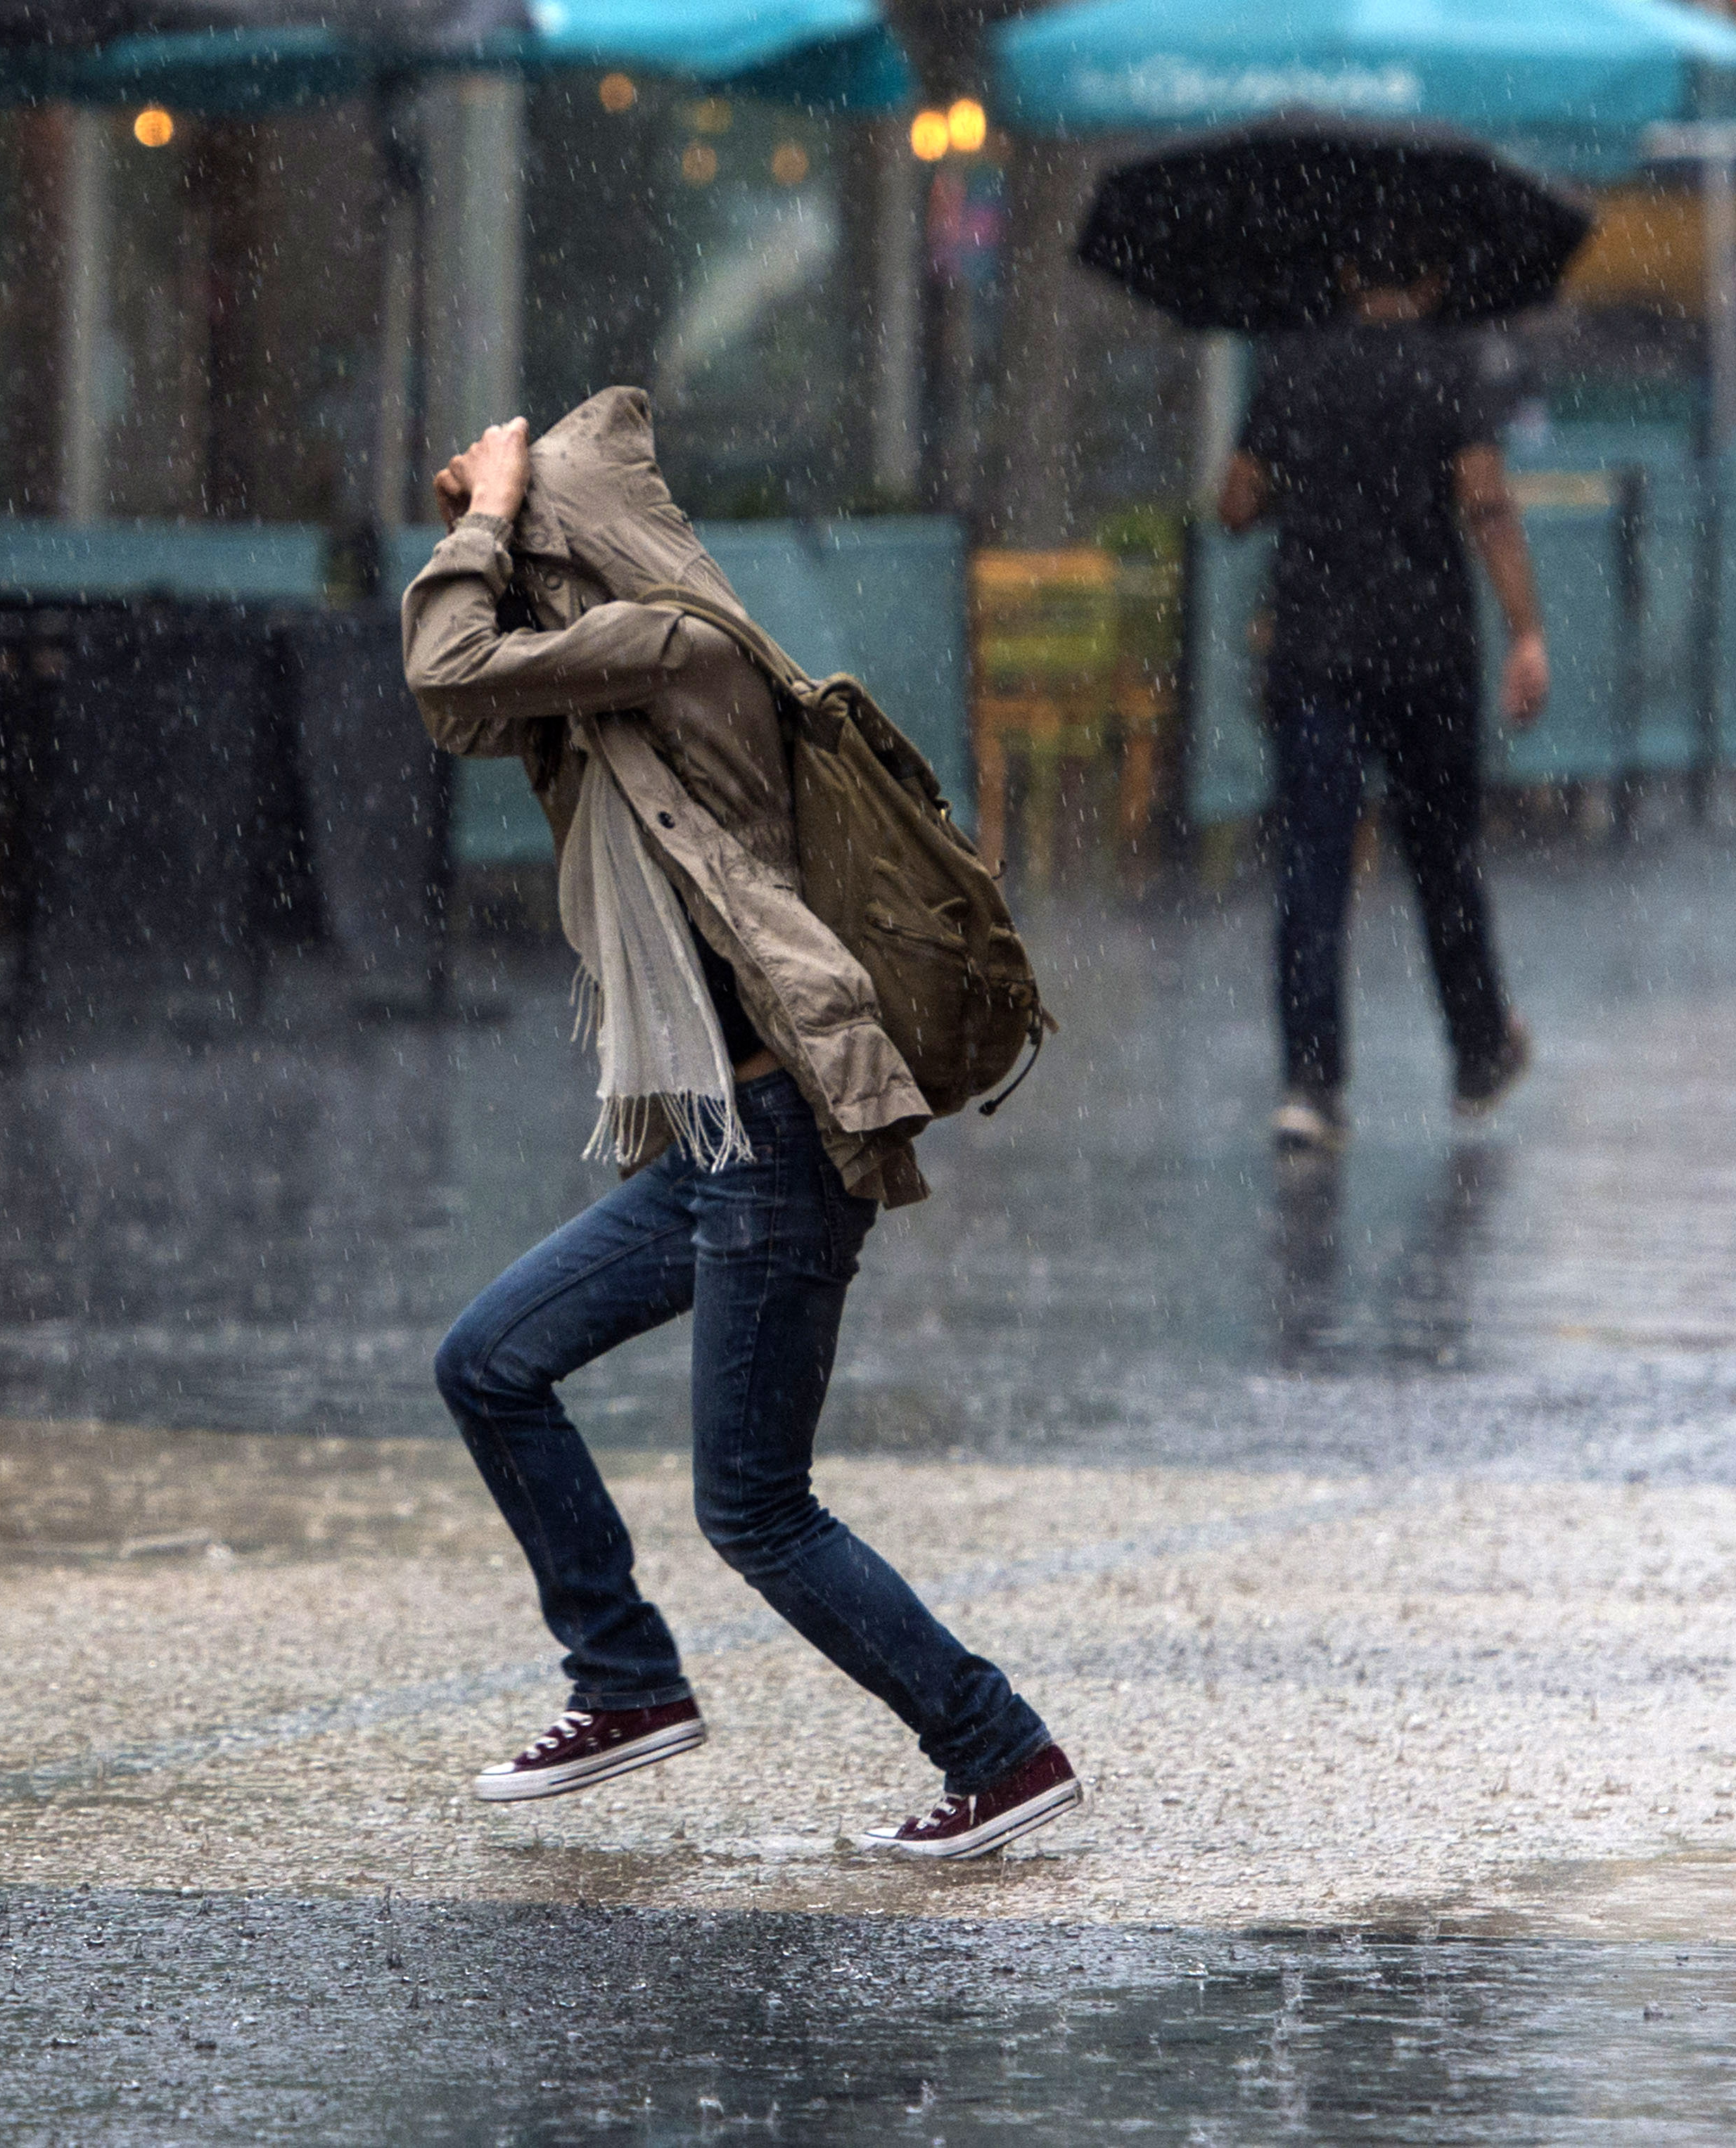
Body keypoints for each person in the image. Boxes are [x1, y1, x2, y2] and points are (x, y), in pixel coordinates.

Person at [401, 389, 1081, 1860]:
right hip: (712, 1146)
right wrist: (493, 522)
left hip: (775, 1146)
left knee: (758, 1509)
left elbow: (445, 668)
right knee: (488, 1365)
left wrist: (481, 512)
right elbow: (468, 700)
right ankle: (627, 1682)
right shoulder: (609, 672)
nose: (511, 580)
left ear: (575, 551)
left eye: (531, 556)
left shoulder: (670, 645)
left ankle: (996, 1748)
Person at [1219, 255, 1548, 1154]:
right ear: (1431, 279)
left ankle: (1310, 1084)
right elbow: (1484, 502)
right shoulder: (1447, 368)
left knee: (1311, 869)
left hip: (1314, 652)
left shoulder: (1291, 365)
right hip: (1425, 655)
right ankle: (1478, 1048)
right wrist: (1524, 631)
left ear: (1346, 270)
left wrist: (1306, 477)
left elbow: (1234, 504)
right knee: (1442, 856)